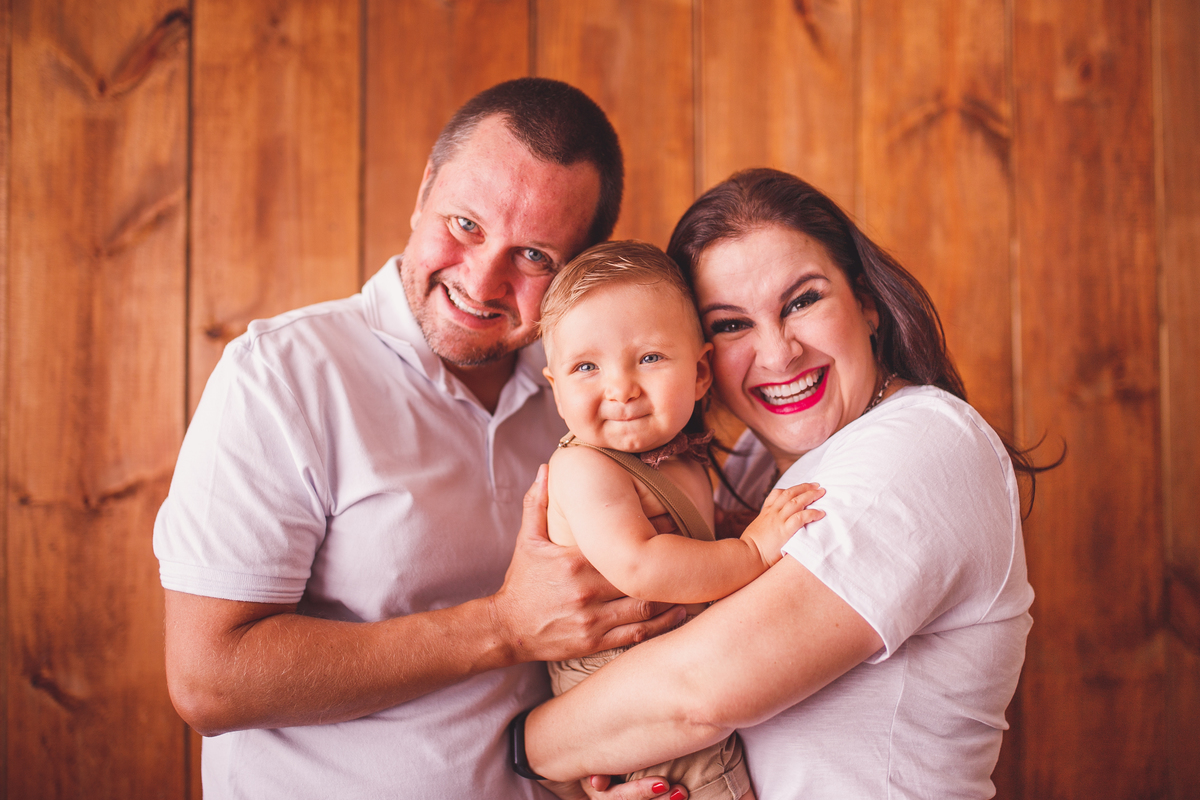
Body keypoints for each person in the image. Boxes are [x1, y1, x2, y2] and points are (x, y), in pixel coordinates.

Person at [154, 78, 687, 799]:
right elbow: (208, 681)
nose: (483, 277)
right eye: (465, 224)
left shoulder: (597, 394)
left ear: (576, 274)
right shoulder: (283, 375)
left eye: (534, 256)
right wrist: (502, 627)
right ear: (424, 191)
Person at [517, 168, 1039, 798]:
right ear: (704, 353)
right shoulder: (757, 471)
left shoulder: (922, 444)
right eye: (732, 323)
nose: (778, 353)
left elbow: (698, 693)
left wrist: (534, 746)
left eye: (802, 301)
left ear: (866, 303)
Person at [536, 241, 825, 800]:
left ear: (699, 374)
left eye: (648, 358)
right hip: (617, 698)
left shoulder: (684, 456)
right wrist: (751, 552)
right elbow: (641, 564)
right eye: (586, 367)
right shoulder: (582, 467)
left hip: (665, 681)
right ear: (556, 390)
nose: (620, 389)